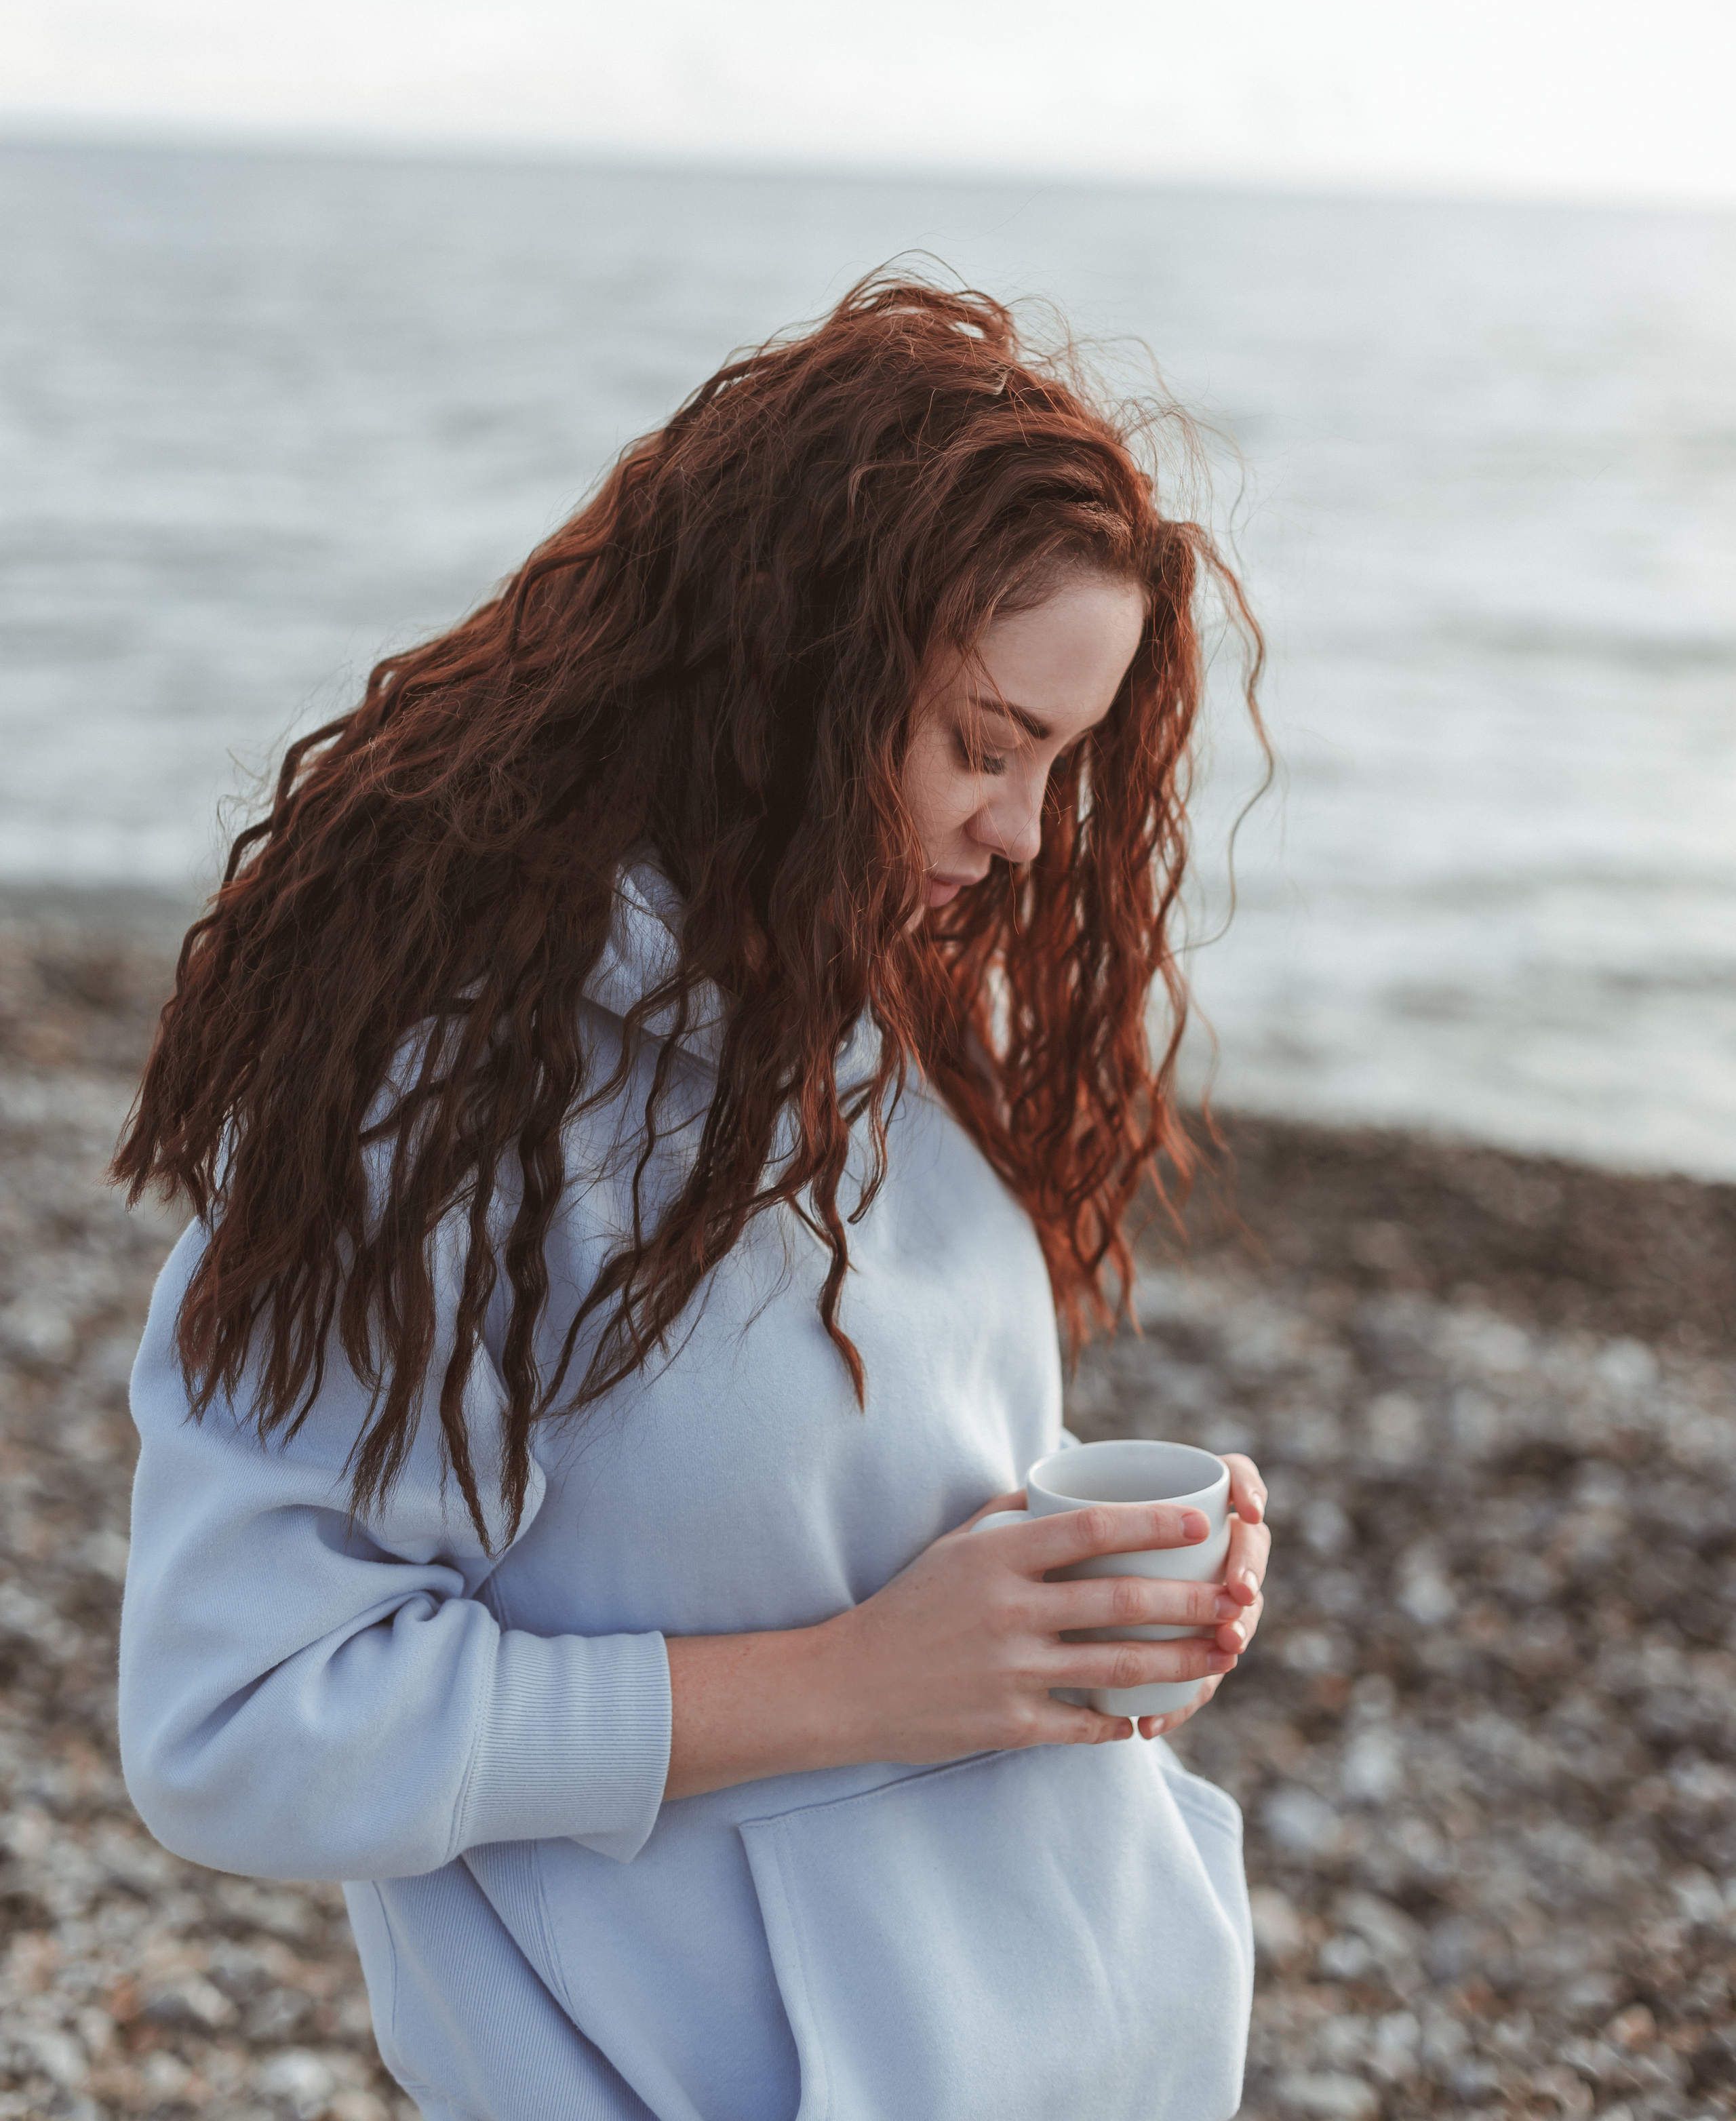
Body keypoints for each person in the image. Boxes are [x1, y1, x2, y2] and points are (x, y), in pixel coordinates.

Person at [115, 273, 1274, 2121]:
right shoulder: (448, 1092)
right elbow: (239, 1727)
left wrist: (1080, 1595)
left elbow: (787, 1494)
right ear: (793, 678)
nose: (1029, 834)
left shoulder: (865, 1002)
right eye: (988, 743)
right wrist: (861, 1686)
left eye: (1066, 759)